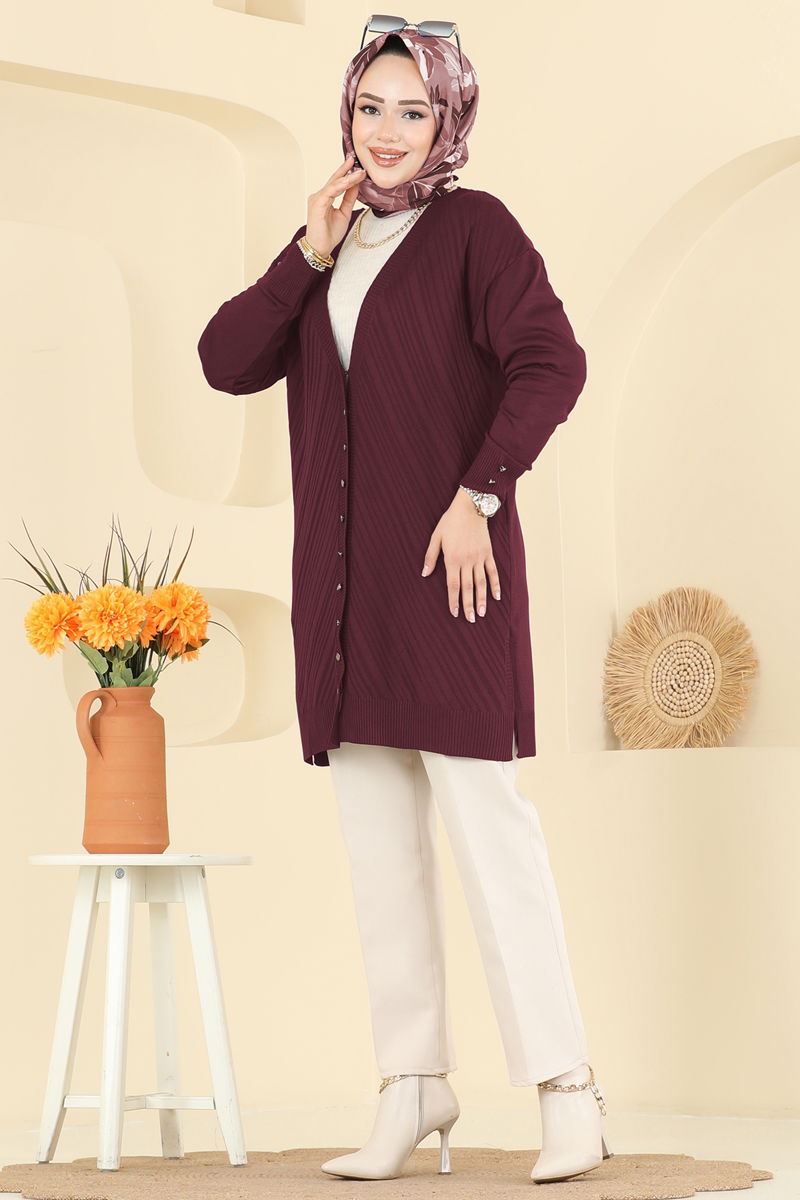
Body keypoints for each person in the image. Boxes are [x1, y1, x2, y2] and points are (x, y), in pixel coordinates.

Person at [197, 21, 610, 1186]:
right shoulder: (325, 247)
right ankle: (412, 1083)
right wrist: (305, 251)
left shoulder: (476, 231)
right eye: (369, 107)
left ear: (448, 120)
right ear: (347, 113)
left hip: (449, 578)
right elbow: (226, 360)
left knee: (491, 837)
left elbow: (552, 362)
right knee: (378, 851)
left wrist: (478, 494)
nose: (385, 132)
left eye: (411, 111)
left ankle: (567, 1091)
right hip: (344, 600)